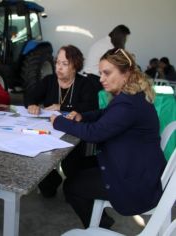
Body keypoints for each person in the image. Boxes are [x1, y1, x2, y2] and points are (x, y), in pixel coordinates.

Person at [51, 48, 166, 228]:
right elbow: (106, 113)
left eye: (107, 73)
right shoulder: (131, 96)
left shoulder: (128, 103)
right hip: (135, 164)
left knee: (71, 187)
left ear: (126, 73)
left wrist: (58, 121)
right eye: (100, 73)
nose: (101, 79)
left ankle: (102, 225)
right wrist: (83, 116)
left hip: (134, 178)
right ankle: (98, 217)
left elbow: (95, 133)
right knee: (76, 165)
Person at [24, 45, 98, 197]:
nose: (59, 67)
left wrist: (62, 106)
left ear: (75, 66)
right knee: (37, 160)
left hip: (74, 133)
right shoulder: (49, 80)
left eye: (64, 64)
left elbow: (90, 107)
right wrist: (32, 104)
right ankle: (52, 180)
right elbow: (30, 95)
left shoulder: (85, 83)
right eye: (57, 62)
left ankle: (74, 188)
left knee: (71, 167)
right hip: (49, 130)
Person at [84, 25, 131, 91]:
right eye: (125, 38)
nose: (126, 40)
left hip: (89, 77)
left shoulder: (104, 42)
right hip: (94, 79)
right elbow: (117, 66)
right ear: (121, 37)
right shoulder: (109, 47)